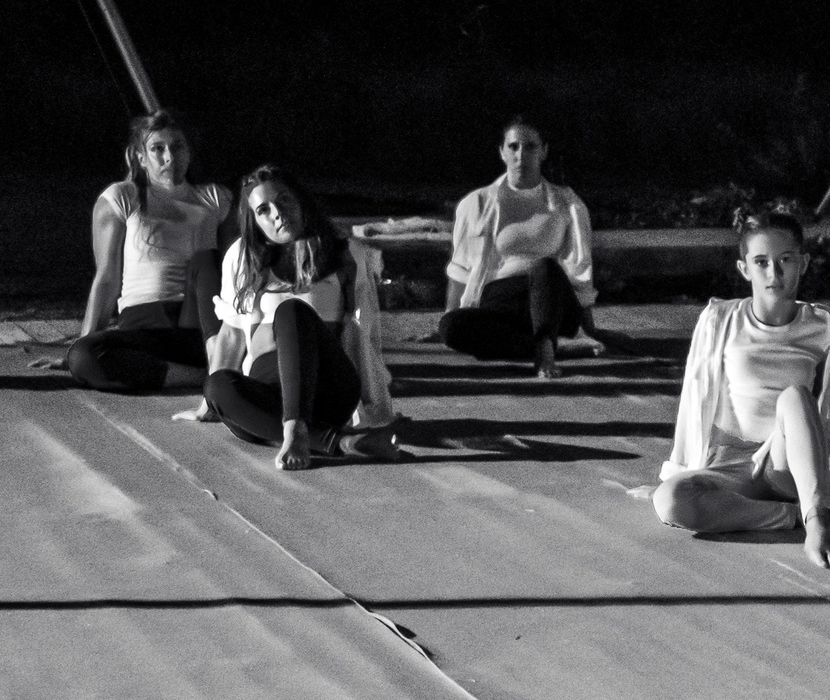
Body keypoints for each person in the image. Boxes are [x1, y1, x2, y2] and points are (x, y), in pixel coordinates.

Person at [657, 206, 830, 567]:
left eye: (785, 259)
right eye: (761, 262)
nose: (774, 272)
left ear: (802, 263)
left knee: (795, 397)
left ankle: (817, 523)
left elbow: (829, 411)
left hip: (783, 465)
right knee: (669, 501)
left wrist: (818, 480)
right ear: (744, 269)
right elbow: (695, 398)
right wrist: (679, 470)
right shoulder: (720, 319)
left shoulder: (823, 324)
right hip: (726, 464)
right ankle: (794, 516)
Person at [180, 166, 398, 467]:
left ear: (302, 202)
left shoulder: (346, 253)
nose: (278, 214)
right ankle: (340, 443)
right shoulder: (242, 256)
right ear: (254, 221)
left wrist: (374, 404)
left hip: (327, 389)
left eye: (284, 201)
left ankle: (296, 428)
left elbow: (362, 333)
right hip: (267, 394)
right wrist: (208, 404)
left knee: (291, 310)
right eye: (263, 210)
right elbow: (231, 334)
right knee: (217, 385)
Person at [61, 109, 233, 395]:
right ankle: (202, 376)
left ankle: (212, 363)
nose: (170, 156)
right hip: (143, 329)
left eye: (178, 146)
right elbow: (106, 279)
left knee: (208, 263)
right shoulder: (123, 197)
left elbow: (236, 268)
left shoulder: (216, 199)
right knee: (84, 357)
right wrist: (83, 343)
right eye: (158, 148)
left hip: (201, 326)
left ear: (189, 152)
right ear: (141, 157)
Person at [439, 116, 601, 377]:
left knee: (544, 266)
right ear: (502, 152)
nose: (521, 155)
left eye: (530, 147)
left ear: (544, 151)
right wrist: (449, 315)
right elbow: (460, 268)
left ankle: (547, 349)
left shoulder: (567, 203)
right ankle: (545, 347)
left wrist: (589, 326)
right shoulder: (477, 202)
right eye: (513, 146)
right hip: (501, 304)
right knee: (451, 328)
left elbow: (580, 267)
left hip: (552, 300)